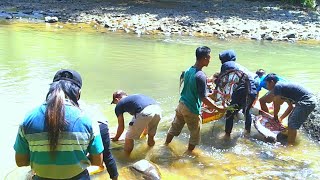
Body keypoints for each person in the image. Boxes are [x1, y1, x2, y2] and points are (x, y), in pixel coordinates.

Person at [14, 69, 104, 179]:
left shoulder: (28, 119)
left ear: (52, 90)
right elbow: (98, 161)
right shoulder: (88, 119)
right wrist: (77, 160)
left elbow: (20, 162)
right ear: (78, 94)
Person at [165, 46, 225, 152]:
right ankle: (188, 155)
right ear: (204, 58)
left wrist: (210, 94)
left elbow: (193, 90)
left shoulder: (189, 70)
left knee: (174, 128)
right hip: (191, 109)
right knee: (195, 134)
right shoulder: (201, 76)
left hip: (181, 105)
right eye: (209, 57)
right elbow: (203, 98)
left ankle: (165, 145)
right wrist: (218, 108)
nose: (210, 60)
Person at [264, 73, 316, 145]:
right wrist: (281, 118)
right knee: (291, 119)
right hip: (308, 100)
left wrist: (275, 116)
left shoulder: (277, 87)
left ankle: (290, 146)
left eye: (267, 83)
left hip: (306, 101)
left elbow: (276, 104)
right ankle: (289, 136)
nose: (266, 86)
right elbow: (291, 107)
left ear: (272, 82)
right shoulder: (283, 88)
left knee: (292, 124)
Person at [218, 50, 258, 138]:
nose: (221, 61)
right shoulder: (240, 67)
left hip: (242, 92)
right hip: (252, 91)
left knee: (230, 112)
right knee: (246, 111)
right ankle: (247, 132)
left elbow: (221, 81)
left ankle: (227, 135)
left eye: (221, 59)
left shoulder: (226, 64)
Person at [110, 90, 162, 155]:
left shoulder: (120, 104)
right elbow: (146, 118)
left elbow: (121, 126)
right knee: (151, 136)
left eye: (115, 103)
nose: (116, 105)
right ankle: (151, 154)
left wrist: (115, 138)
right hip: (157, 109)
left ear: (117, 99)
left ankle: (126, 159)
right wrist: (144, 134)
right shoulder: (134, 98)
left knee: (129, 137)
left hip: (145, 112)